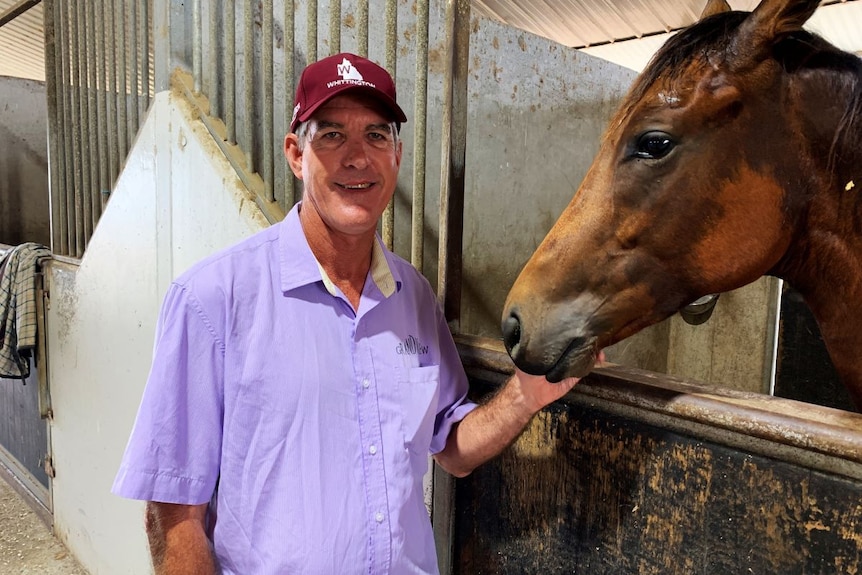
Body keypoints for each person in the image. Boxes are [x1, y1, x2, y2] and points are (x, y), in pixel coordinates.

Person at [112, 52, 589, 575]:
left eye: (377, 135)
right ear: (296, 154)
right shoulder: (211, 299)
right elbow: (173, 511)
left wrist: (526, 394)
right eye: (332, 135)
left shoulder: (415, 298)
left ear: (397, 156)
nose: (358, 157)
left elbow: (451, 446)